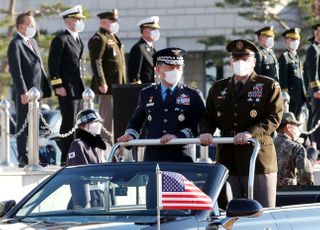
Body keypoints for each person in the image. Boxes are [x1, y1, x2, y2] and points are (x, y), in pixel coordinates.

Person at [199, 39, 283, 208]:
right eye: (236, 58)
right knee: (228, 213)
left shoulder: (268, 86)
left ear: (254, 61)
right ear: (230, 61)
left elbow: (274, 117)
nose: (240, 62)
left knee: (261, 212)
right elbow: (207, 115)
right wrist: (206, 131)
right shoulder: (218, 88)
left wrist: (251, 133)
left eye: (245, 58)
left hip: (257, 159)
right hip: (228, 160)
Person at [118, 48, 205, 162]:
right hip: (154, 157)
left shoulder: (193, 95)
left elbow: (200, 124)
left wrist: (178, 136)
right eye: (170, 67)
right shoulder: (146, 93)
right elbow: (136, 121)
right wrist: (130, 135)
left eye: (178, 67)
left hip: (182, 158)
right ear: (158, 70)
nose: (175, 71)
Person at [7, 10, 51, 167]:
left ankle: (33, 155)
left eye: (34, 24)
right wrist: (23, 91)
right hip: (25, 93)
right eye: (30, 24)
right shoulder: (16, 43)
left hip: (36, 92)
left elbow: (38, 66)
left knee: (34, 125)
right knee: (23, 125)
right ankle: (22, 156)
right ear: (20, 26)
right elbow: (16, 70)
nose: (34, 27)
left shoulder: (32, 42)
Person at [48, 5, 86, 166]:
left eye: (79, 19)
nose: (79, 22)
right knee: (68, 122)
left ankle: (76, 154)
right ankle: (65, 156)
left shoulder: (77, 38)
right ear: (69, 21)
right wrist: (58, 85)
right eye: (76, 19)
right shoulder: (61, 39)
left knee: (78, 123)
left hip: (78, 88)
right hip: (66, 88)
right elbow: (53, 65)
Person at [88, 9, 126, 142]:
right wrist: (101, 82)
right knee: (107, 120)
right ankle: (107, 148)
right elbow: (96, 61)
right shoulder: (99, 38)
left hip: (118, 85)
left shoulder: (113, 37)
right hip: (108, 86)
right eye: (112, 21)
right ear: (104, 22)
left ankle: (117, 149)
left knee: (117, 119)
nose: (115, 24)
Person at [67, 109, 111, 208]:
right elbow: (77, 178)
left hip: (106, 200)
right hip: (89, 201)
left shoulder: (106, 146)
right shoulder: (78, 145)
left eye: (99, 122)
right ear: (83, 125)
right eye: (95, 122)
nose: (98, 124)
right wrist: (81, 205)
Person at [274, 112, 318, 186]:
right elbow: (306, 175)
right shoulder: (296, 148)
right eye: (296, 126)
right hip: (290, 193)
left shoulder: (268, 145)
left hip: (268, 191)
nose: (298, 130)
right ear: (288, 127)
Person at [278, 28, 307, 119]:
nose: (296, 42)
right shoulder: (285, 57)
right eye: (293, 39)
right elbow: (283, 79)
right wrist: (285, 96)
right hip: (291, 97)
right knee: (290, 121)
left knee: (298, 122)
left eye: (297, 39)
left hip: (300, 96)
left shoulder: (297, 57)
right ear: (286, 41)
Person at [128, 16, 160, 84]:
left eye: (156, 29)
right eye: (152, 29)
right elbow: (134, 75)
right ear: (144, 30)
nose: (156, 31)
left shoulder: (152, 48)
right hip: (144, 90)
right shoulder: (139, 48)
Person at [305, 23, 320, 150]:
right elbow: (312, 71)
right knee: (315, 120)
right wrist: (316, 89)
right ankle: (314, 146)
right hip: (317, 92)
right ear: (316, 32)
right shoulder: (313, 49)